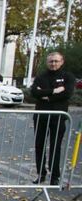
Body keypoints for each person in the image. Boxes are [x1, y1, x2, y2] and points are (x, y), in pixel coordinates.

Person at [30, 51, 75, 186]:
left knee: (55, 147)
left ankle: (55, 176)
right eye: (51, 61)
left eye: (56, 61)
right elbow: (34, 92)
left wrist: (45, 96)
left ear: (62, 62)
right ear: (47, 62)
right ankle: (41, 174)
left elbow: (67, 94)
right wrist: (54, 91)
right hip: (41, 116)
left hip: (58, 117)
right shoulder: (41, 77)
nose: (53, 63)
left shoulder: (68, 77)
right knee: (39, 145)